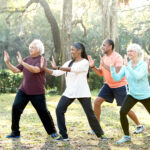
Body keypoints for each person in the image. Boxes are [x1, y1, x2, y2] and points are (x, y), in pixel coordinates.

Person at [41, 42, 106, 141]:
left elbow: (73, 69)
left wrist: (58, 66)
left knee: (90, 114)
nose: (71, 52)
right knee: (59, 110)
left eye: (73, 50)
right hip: (69, 92)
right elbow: (57, 73)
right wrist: (44, 68)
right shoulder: (68, 62)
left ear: (80, 51)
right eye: (71, 49)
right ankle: (64, 135)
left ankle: (101, 134)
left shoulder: (85, 62)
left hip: (82, 92)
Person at [4, 39, 57, 138]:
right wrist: (7, 63)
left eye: (33, 47)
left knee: (43, 112)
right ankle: (15, 132)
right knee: (15, 107)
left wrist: (23, 63)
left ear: (39, 49)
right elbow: (16, 70)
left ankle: (52, 131)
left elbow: (36, 70)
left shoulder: (42, 59)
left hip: (37, 92)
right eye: (30, 47)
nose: (30, 49)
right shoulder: (27, 59)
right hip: (24, 90)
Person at [88, 39, 143, 135]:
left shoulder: (117, 57)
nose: (102, 47)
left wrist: (105, 65)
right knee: (97, 102)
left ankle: (139, 125)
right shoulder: (104, 58)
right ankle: (96, 128)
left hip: (120, 85)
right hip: (108, 85)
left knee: (125, 108)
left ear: (110, 47)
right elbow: (101, 73)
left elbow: (117, 71)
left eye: (104, 45)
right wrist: (93, 67)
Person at [110, 43, 150, 144]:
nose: (129, 53)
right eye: (128, 51)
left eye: (131, 51)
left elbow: (138, 77)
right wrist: (111, 68)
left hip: (146, 95)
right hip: (132, 94)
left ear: (137, 53)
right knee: (122, 112)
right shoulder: (126, 66)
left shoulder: (143, 65)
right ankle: (127, 136)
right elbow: (117, 78)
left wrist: (127, 66)